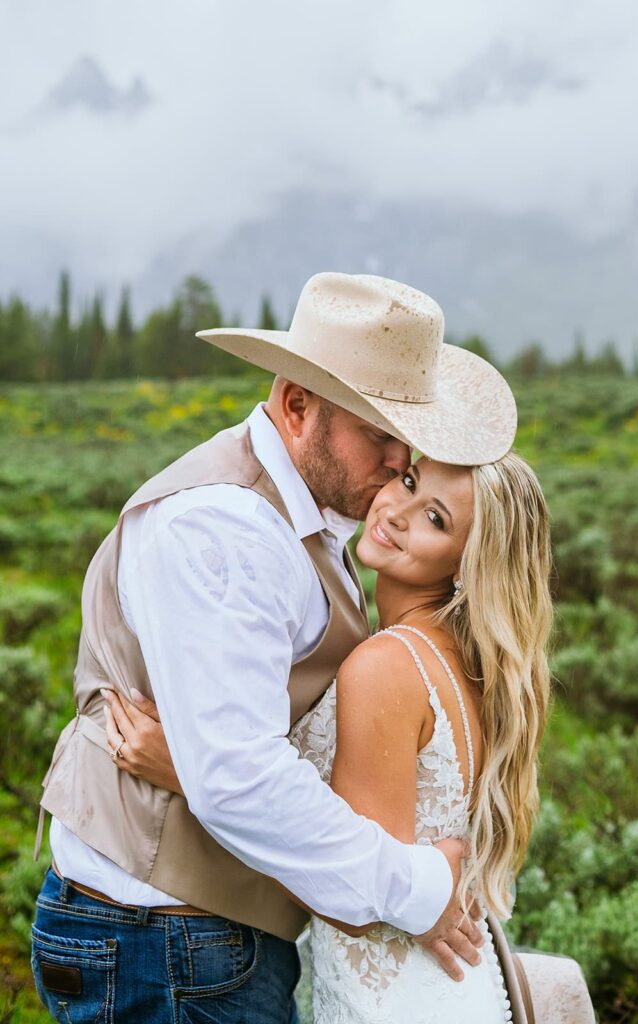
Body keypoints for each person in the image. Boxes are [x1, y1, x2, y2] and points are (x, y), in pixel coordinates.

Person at [31, 272, 517, 1023]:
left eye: (406, 438)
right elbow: (237, 774)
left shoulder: (313, 517)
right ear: (296, 406)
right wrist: (415, 890)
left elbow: (224, 762)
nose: (397, 463)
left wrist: (189, 765)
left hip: (198, 940)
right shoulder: (225, 532)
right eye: (379, 434)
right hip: (161, 939)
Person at [103, 449, 552, 1023]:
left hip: (391, 1002)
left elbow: (355, 907)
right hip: (451, 989)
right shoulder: (469, 667)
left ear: (469, 562)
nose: (396, 511)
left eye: (436, 518)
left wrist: (190, 771)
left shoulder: (387, 666)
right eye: (408, 482)